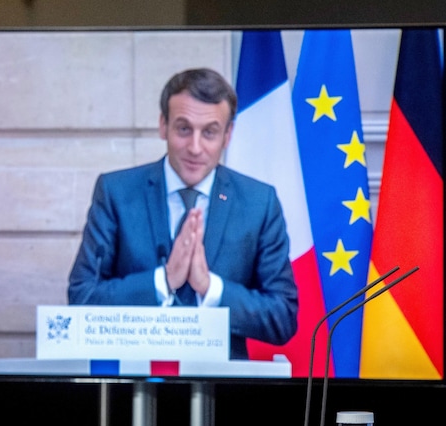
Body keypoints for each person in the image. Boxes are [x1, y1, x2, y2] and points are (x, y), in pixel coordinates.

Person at [67, 68, 299, 359]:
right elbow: (82, 298)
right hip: (133, 385)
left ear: (228, 135)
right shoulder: (116, 193)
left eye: (210, 132)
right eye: (183, 129)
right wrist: (163, 281)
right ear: (163, 125)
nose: (195, 147)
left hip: (223, 388)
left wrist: (210, 287)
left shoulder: (258, 203)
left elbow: (282, 317)